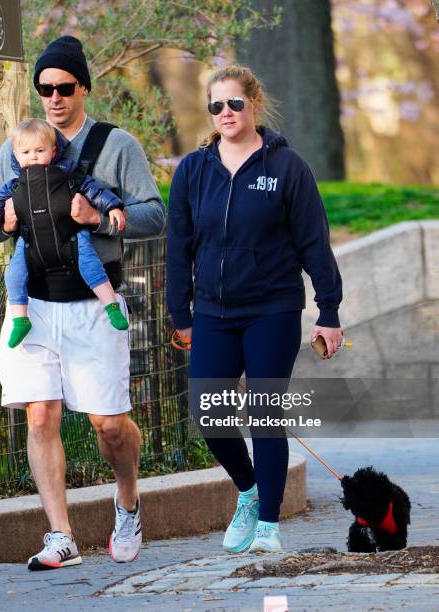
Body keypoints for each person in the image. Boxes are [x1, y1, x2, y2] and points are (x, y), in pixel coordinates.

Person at [0, 36, 165, 568]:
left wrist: (96, 217)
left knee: (108, 424)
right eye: (44, 88)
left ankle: (127, 503)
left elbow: (154, 215)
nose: (53, 97)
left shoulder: (115, 145)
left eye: (63, 87)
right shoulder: (21, 143)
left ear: (83, 87)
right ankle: (61, 536)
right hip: (33, 305)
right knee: (40, 416)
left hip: (93, 303)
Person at [166, 64, 343, 553]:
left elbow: (314, 242)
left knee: (265, 413)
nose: (225, 113)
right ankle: (247, 491)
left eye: (234, 104)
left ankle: (268, 524)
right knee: (209, 414)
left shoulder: (286, 168)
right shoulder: (194, 171)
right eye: (216, 106)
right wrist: (180, 314)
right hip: (212, 314)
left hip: (273, 309)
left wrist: (329, 311)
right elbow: (178, 247)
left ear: (254, 105)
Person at [0, 118, 128, 349]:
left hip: (70, 235)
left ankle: (111, 307)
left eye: (39, 150)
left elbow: (94, 190)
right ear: (15, 155)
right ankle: (20, 320)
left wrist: (112, 207)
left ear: (53, 152)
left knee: (91, 265)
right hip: (31, 240)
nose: (33, 156)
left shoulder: (69, 175)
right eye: (26, 152)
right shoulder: (13, 186)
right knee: (13, 274)